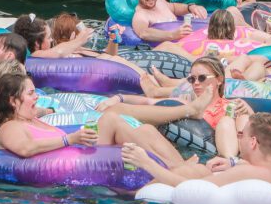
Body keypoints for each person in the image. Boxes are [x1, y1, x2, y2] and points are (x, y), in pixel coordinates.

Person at [0, 72, 199, 172]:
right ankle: (171, 169)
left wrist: (48, 109)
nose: (37, 97)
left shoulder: (29, 117)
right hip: (73, 165)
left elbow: (44, 110)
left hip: (78, 153)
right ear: (14, 101)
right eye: (31, 93)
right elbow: (26, 149)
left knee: (145, 130)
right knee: (110, 119)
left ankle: (179, 165)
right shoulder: (9, 127)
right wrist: (69, 139)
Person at [100, 57, 254, 159]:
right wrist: (118, 97)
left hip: (213, 158)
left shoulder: (233, 106)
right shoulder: (186, 100)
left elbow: (252, 137)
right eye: (192, 79)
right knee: (141, 125)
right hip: (183, 152)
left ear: (219, 80)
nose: (196, 83)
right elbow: (148, 103)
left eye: (202, 78)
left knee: (226, 121)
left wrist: (250, 112)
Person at [121, 111, 271, 187]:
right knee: (198, 169)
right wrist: (232, 162)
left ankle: (131, 196)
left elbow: (190, 188)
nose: (239, 137)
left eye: (241, 135)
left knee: (187, 172)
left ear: (253, 142)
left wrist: (146, 162)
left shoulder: (249, 174)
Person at [131, 0, 207, 43]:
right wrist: (173, 35)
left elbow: (174, 7)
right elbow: (144, 33)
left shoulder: (160, 1)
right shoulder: (140, 15)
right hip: (173, 47)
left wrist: (191, 7)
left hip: (188, 38)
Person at [13, 13, 95, 57]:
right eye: (49, 37)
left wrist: (72, 46)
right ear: (37, 44)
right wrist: (79, 40)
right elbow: (59, 52)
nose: (52, 39)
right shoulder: (33, 55)